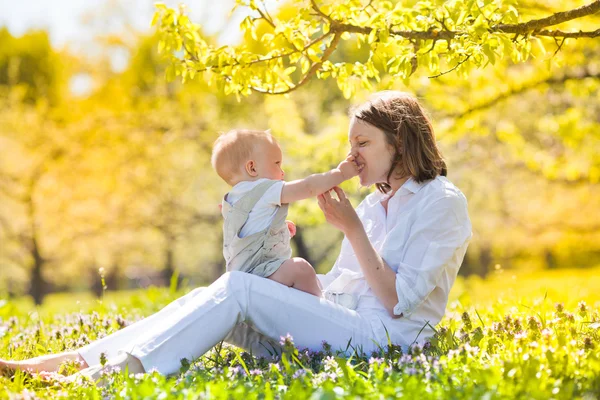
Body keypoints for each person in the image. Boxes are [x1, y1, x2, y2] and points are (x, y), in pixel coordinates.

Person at [0, 90, 472, 382]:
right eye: (351, 143)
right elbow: (339, 287)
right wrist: (284, 274)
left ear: (400, 140)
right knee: (215, 293)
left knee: (238, 289)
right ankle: (72, 360)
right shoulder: (376, 203)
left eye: (362, 143)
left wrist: (351, 231)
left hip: (382, 342)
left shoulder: (442, 203)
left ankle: (113, 377)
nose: (353, 154)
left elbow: (394, 302)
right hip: (337, 329)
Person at [210, 128, 359, 297]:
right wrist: (341, 173)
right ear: (252, 168)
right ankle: (324, 308)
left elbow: (252, 232)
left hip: (244, 279)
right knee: (301, 269)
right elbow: (308, 187)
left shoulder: (232, 201)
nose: (282, 171)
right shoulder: (264, 188)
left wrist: (277, 229)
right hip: (260, 276)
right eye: (276, 164)